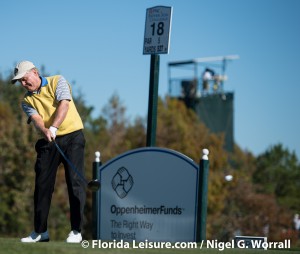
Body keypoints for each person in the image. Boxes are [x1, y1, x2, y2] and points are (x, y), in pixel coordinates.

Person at [11, 61, 86, 243]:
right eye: (20, 81)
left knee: (75, 182)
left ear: (35, 72)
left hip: (72, 136)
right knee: (42, 184)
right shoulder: (26, 101)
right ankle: (40, 231)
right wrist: (46, 131)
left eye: (24, 78)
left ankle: (76, 230)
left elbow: (64, 105)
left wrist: (53, 127)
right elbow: (36, 119)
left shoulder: (57, 81)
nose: (23, 84)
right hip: (48, 140)